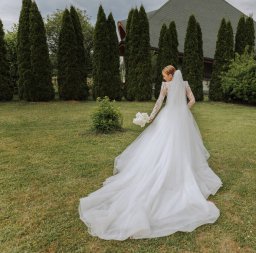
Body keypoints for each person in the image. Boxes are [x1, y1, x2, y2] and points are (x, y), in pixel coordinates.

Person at [78, 65, 223, 240]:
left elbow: (159, 102)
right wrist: (183, 110)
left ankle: (171, 169)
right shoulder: (184, 84)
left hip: (168, 117)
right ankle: (177, 169)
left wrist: (152, 117)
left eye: (164, 76)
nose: (163, 79)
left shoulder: (167, 87)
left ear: (170, 75)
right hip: (180, 119)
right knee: (181, 145)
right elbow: (192, 100)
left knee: (165, 144)